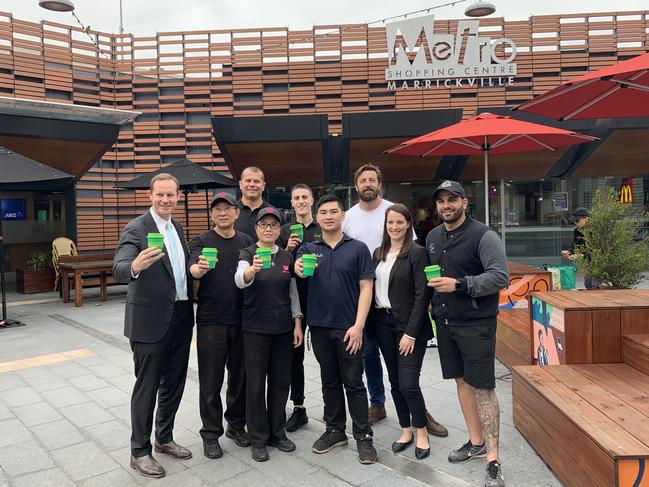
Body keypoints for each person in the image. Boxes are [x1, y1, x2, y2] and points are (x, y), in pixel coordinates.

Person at [343, 163, 448, 437]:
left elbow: (416, 273)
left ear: (380, 183)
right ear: (357, 186)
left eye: (372, 180)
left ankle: (420, 416)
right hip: (367, 303)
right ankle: (378, 405)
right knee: (371, 358)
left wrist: (413, 328)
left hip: (401, 304)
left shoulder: (394, 210)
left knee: (406, 376)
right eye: (363, 180)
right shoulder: (349, 217)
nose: (368, 184)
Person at [426, 180, 509, 487]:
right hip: (446, 323)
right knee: (461, 381)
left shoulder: (483, 235)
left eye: (452, 200)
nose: (446, 205)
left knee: (483, 386)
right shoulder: (434, 236)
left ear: (464, 201)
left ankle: (493, 459)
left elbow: (500, 277)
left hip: (477, 324)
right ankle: (476, 442)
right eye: (441, 201)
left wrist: (459, 285)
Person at [113, 173, 194, 479]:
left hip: (182, 314)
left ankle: (164, 438)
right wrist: (135, 266)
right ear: (150, 195)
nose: (165, 200)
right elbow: (120, 266)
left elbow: (178, 270)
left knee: (174, 382)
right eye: (160, 195)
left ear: (178, 195)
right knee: (147, 386)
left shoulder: (177, 227)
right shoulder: (137, 227)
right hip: (149, 321)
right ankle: (139, 451)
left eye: (171, 195)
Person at [295, 194, 377, 465]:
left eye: (334, 211)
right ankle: (335, 430)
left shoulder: (358, 248)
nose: (328, 216)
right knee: (329, 381)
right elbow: (298, 271)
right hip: (318, 327)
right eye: (323, 212)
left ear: (343, 215)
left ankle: (363, 436)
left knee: (353, 382)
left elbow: (367, 288)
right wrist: (298, 267)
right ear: (317, 218)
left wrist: (359, 326)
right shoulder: (309, 249)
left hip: (349, 328)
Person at [188, 192, 254, 459]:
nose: (223, 213)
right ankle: (211, 432)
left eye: (228, 208)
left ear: (237, 213)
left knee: (239, 377)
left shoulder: (246, 241)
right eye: (218, 209)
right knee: (211, 379)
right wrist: (199, 270)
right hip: (211, 320)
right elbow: (192, 266)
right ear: (212, 215)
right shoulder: (201, 241)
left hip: (242, 318)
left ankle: (236, 425)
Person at [235, 207, 303, 462]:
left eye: (274, 225)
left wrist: (297, 322)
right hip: (255, 329)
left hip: (283, 329)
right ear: (256, 229)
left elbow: (293, 292)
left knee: (279, 382)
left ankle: (278, 432)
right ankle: (258, 438)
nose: (269, 229)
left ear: (279, 230)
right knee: (255, 384)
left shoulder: (286, 256)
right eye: (264, 225)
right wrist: (251, 270)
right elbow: (239, 279)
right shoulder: (247, 254)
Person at [369, 203, 432, 460]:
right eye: (390, 223)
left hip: (408, 327)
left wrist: (411, 333)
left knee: (409, 383)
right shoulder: (377, 253)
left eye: (399, 222)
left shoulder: (417, 253)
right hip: (383, 324)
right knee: (394, 381)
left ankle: (422, 432)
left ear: (408, 224)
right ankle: (405, 429)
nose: (394, 227)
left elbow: (422, 295)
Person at [277, 183, 321, 432]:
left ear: (312, 200)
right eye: (297, 198)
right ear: (292, 203)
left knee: (328, 354)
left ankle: (333, 406)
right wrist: (287, 250)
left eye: (305, 196)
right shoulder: (283, 231)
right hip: (292, 301)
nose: (301, 201)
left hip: (320, 298)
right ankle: (298, 407)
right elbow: (276, 264)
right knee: (294, 356)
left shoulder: (322, 226)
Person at [235, 166, 285, 239]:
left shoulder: (277, 214)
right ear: (240, 184)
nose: (252, 185)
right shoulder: (230, 213)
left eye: (256, 181)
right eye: (248, 180)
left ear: (263, 186)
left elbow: (283, 246)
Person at [561, 207, 596, 289]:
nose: (575, 223)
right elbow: (575, 245)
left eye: (577, 221)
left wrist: (581, 255)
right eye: (574, 221)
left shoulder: (596, 230)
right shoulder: (577, 230)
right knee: (588, 284)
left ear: (586, 218)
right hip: (588, 261)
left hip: (599, 261)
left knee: (595, 285)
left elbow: (599, 250)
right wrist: (569, 252)